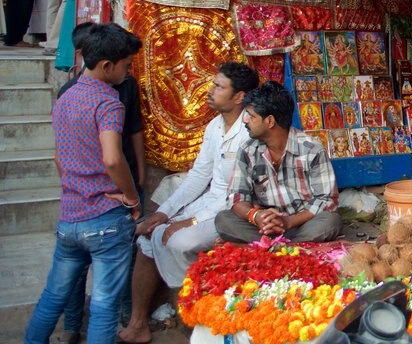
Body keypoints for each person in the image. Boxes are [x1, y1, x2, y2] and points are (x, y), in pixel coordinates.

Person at [117, 61, 259, 344]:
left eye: (219, 87)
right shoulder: (214, 126)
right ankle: (138, 323)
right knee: (148, 237)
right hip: (211, 201)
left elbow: (237, 195)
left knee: (178, 240)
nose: (210, 91)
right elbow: (198, 176)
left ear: (239, 97)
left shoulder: (249, 132)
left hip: (235, 210)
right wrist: (165, 213)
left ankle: (202, 316)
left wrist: (190, 221)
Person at [24, 23, 142, 344]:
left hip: (70, 219)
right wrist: (132, 198)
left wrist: (77, 189)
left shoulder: (66, 98)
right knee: (104, 306)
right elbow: (113, 160)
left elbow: (60, 159)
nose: (129, 72)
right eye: (126, 66)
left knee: (52, 296)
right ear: (107, 66)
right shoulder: (108, 102)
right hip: (104, 219)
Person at [215, 81, 343, 243]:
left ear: (269, 121)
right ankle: (285, 249)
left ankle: (272, 249)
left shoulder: (311, 149)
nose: (245, 121)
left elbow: (327, 200)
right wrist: (256, 216)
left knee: (330, 221)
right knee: (223, 219)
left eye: (251, 116)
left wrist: (288, 222)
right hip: (263, 227)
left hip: (301, 224)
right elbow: (237, 196)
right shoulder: (247, 150)